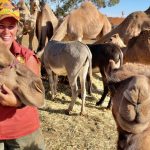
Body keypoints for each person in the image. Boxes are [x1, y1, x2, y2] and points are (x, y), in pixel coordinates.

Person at [0, 1, 45, 149]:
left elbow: (37, 95)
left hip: (21, 132)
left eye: (11, 26)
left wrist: (17, 102)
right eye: (1, 26)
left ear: (17, 28)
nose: (6, 32)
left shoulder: (27, 56)